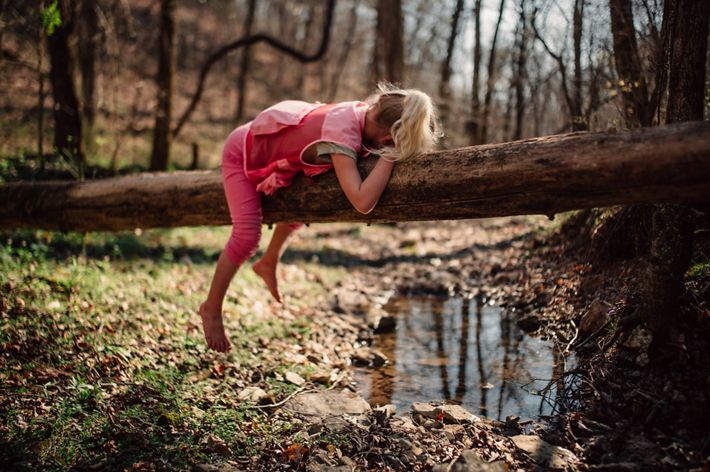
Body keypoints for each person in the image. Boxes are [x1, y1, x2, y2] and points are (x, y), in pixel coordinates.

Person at [199, 83, 441, 352]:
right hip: (241, 151)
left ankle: (269, 261)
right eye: (393, 144)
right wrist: (390, 158)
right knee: (246, 236)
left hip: (279, 154)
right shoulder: (341, 134)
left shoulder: (364, 112)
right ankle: (211, 307)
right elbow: (362, 202)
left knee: (302, 209)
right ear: (387, 140)